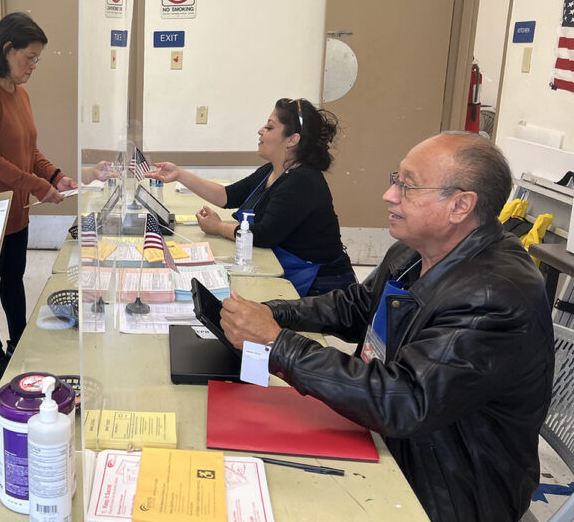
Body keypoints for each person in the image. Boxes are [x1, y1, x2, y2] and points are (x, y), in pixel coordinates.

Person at [220, 132, 553, 522]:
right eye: (396, 180)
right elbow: (355, 307)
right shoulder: (414, 250)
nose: (389, 195)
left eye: (407, 187)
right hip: (396, 440)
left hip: (449, 486)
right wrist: (270, 313)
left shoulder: (493, 295)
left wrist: (277, 343)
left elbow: (405, 399)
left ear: (461, 205)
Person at [0, 12, 77, 382]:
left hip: (16, 208)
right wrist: (40, 187)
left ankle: (18, 344)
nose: (34, 66)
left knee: (14, 279)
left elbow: (29, 150)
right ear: (8, 50)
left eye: (38, 59)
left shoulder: (19, 93)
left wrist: (55, 176)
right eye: (31, 58)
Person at [145, 98, 355, 295]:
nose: (260, 131)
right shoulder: (272, 171)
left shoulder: (302, 181)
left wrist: (218, 228)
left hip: (321, 285)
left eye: (270, 127)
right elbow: (227, 196)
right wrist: (180, 175)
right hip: (289, 269)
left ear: (292, 139)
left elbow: (264, 235)